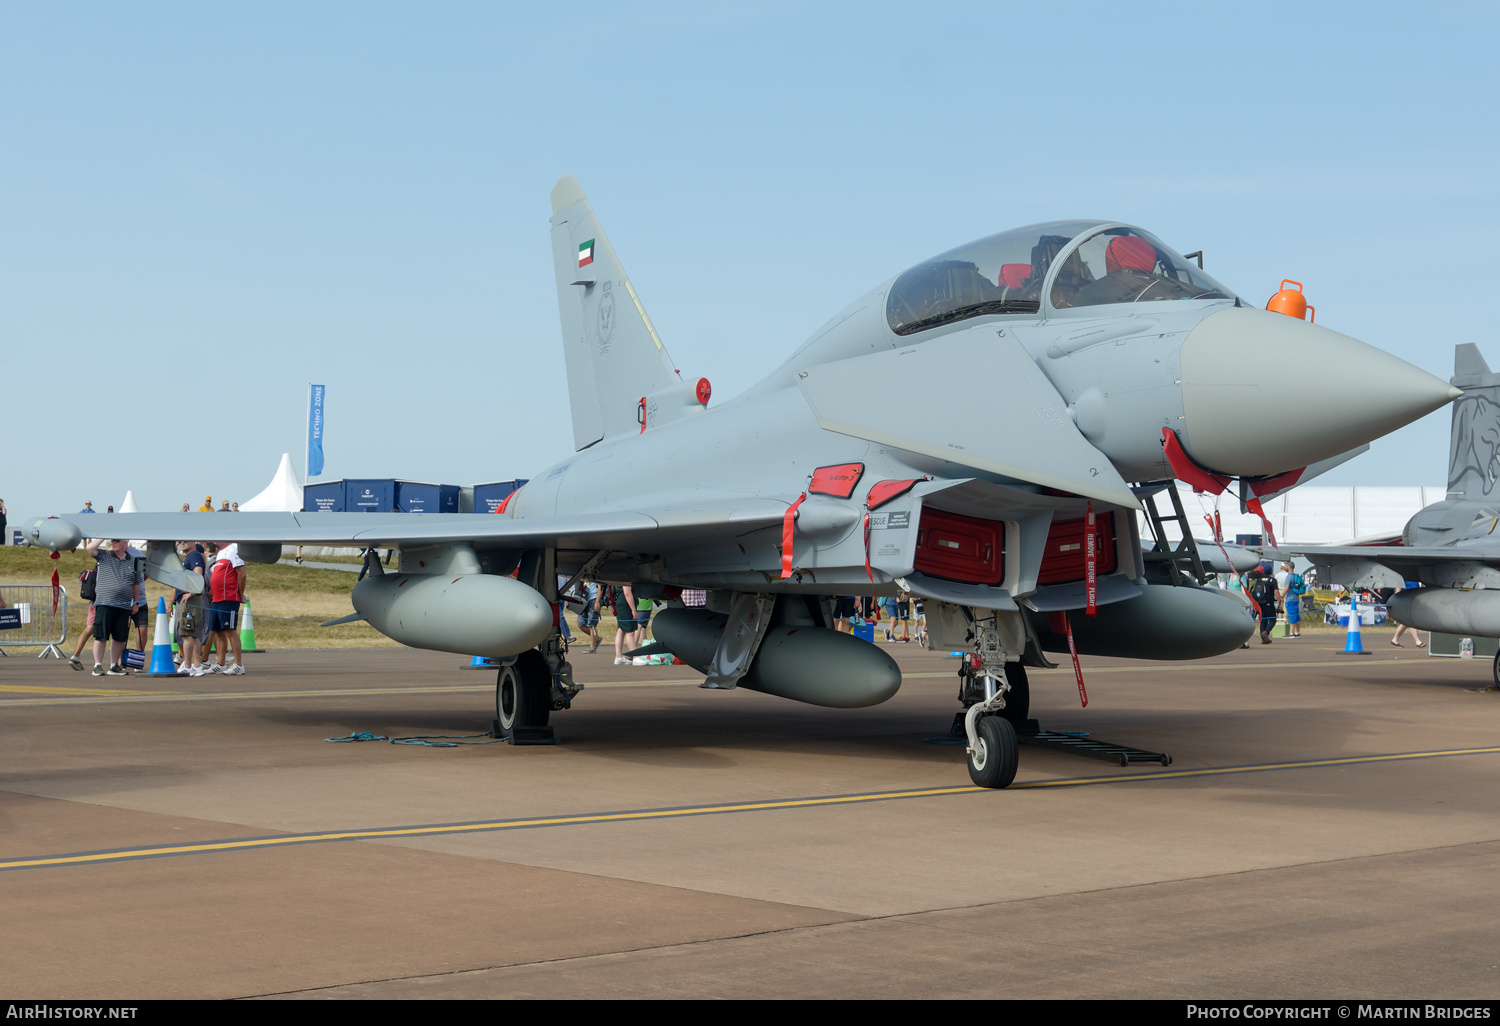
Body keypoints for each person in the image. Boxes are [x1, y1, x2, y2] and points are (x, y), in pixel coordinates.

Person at [86, 538, 143, 675]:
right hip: (105, 602)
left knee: (119, 637)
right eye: (112, 540)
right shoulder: (104, 555)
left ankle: (114, 665)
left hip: (123, 606)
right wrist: (103, 536)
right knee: (101, 635)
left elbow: (137, 584)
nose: (114, 543)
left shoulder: (135, 561)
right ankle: (97, 665)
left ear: (125, 542)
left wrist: (135, 603)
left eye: (117, 540)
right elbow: (90, 549)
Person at [207, 540, 247, 674]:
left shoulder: (234, 550)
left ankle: (238, 665)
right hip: (217, 599)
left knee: (230, 630)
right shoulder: (220, 554)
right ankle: (221, 663)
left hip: (228, 598)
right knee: (218, 631)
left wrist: (240, 594)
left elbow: (242, 574)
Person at [174, 542, 211, 675]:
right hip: (191, 600)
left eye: (185, 540)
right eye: (180, 541)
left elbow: (198, 574)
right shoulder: (191, 556)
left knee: (187, 634)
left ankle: (188, 665)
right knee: (193, 634)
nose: (182, 543)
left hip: (190, 601)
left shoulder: (194, 556)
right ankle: (196, 665)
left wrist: (191, 593)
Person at [1248, 567, 1280, 645]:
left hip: (1260, 602)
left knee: (1263, 620)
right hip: (1269, 602)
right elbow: (1276, 592)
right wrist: (1280, 602)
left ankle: (1264, 639)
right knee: (1272, 619)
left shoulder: (1258, 580)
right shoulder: (1272, 580)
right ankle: (1266, 632)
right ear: (1271, 571)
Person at [1391, 582, 1426, 648]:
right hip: (1405, 601)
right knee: (1411, 621)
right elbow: (1398, 591)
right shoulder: (1403, 578)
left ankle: (1394, 640)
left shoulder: (1415, 580)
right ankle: (1418, 642)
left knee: (1406, 622)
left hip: (1413, 601)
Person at [1277, 561, 1306, 639]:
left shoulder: (1289, 577)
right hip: (1296, 598)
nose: (1285, 567)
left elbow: (1286, 588)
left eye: (1286, 565)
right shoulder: (1295, 576)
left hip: (1290, 598)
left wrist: (1282, 596)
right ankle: (1297, 632)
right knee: (1297, 615)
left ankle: (1291, 633)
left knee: (1292, 616)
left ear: (1289, 567)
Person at [611, 584, 638, 666]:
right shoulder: (626, 576)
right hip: (625, 604)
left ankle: (619, 656)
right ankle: (635, 657)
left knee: (621, 630)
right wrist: (633, 609)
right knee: (630, 632)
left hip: (620, 602)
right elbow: (627, 593)